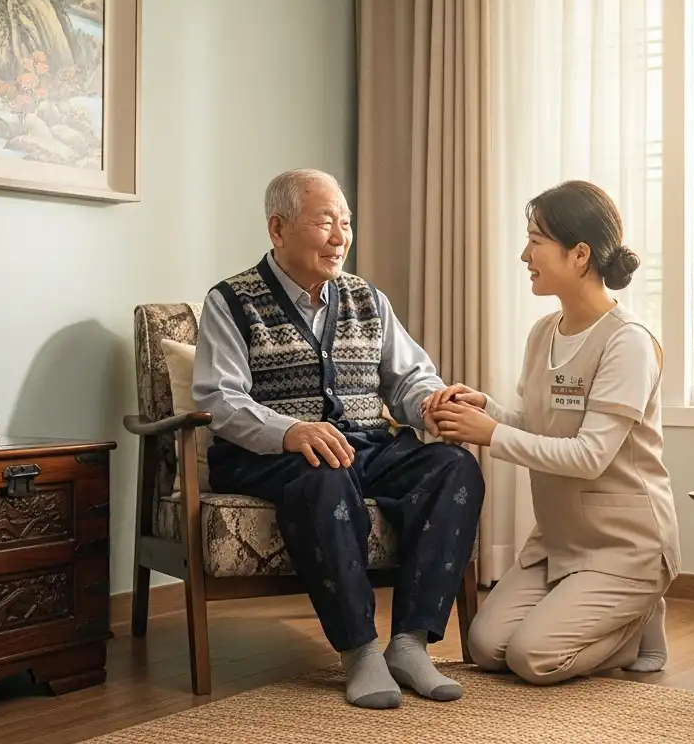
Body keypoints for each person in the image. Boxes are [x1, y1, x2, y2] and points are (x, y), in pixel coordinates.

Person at [192, 169, 485, 709]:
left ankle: (411, 642)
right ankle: (360, 651)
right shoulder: (231, 301)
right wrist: (290, 430)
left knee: (453, 467)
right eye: (324, 222)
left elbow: (407, 376)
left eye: (345, 223)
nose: (339, 236)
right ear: (277, 229)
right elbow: (221, 399)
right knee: (324, 475)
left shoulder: (367, 299)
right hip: (271, 455)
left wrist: (431, 401)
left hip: (367, 445)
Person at [424, 179, 679, 686]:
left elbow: (588, 457)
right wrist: (488, 410)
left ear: (580, 254)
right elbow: (539, 429)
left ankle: (637, 621)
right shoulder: (543, 333)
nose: (525, 254)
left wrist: (491, 432)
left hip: (625, 546)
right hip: (559, 540)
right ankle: (618, 615)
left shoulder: (627, 344)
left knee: (533, 658)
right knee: (486, 647)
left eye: (536, 241)